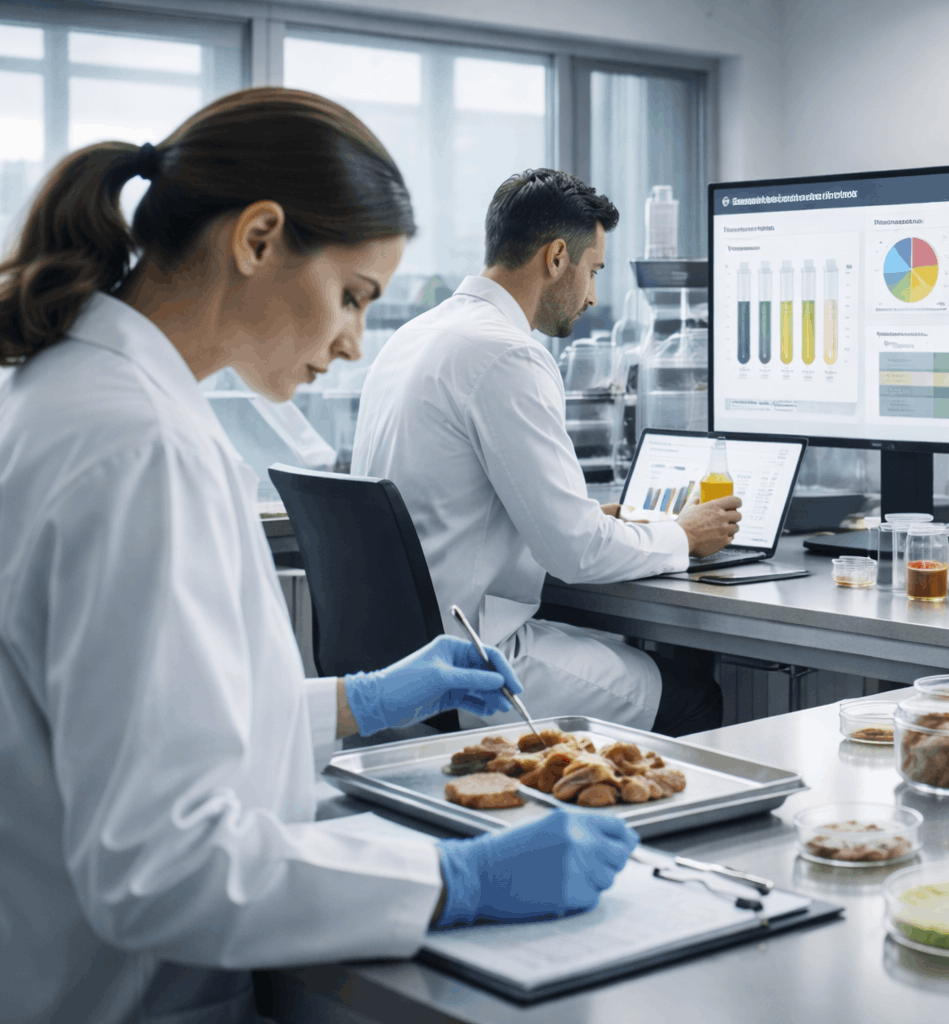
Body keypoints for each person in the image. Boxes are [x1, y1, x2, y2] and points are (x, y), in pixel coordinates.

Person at [0, 89, 637, 1024]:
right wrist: (448, 878)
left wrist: (359, 699)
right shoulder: (140, 449)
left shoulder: (66, 396)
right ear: (258, 239)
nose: (350, 344)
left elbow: (132, 722)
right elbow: (160, 867)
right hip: (126, 994)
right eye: (351, 297)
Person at [352, 168, 738, 736]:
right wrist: (684, 534)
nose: (592, 296)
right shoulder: (508, 354)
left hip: (395, 649)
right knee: (694, 696)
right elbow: (576, 554)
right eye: (594, 271)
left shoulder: (416, 336)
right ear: (557, 257)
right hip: (470, 655)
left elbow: (459, 503)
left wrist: (578, 518)